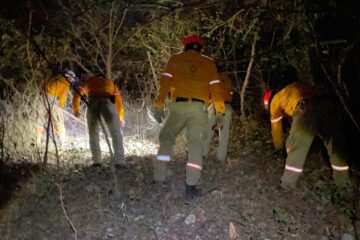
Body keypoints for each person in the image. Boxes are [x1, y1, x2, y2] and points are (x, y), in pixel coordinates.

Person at [153, 34, 225, 200]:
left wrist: (159, 105)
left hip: (178, 106)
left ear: (185, 46)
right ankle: (190, 188)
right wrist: (219, 111)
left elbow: (164, 84)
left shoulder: (175, 59)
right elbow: (216, 90)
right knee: (195, 146)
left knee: (166, 139)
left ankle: (159, 178)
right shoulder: (208, 63)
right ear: (201, 48)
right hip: (198, 109)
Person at [263, 81, 350, 190]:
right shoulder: (290, 89)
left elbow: (276, 129)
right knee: (335, 146)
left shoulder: (275, 101)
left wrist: (279, 148)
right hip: (327, 104)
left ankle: (287, 185)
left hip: (306, 108)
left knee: (295, 146)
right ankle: (343, 184)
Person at [72, 73, 126, 168]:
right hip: (108, 103)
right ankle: (120, 161)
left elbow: (77, 94)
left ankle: (96, 161)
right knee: (116, 133)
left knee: (93, 133)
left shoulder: (90, 82)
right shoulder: (111, 83)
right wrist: (120, 118)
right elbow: (118, 101)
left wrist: (77, 111)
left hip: (92, 103)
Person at [37, 70, 77, 146]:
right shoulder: (65, 83)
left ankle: (37, 141)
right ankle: (62, 141)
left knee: (40, 119)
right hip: (52, 99)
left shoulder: (55, 78)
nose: (72, 81)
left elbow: (43, 86)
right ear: (68, 77)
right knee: (59, 120)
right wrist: (61, 107)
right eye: (72, 79)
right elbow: (63, 96)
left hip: (43, 97)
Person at [203, 73, 234, 161]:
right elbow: (230, 96)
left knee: (208, 133)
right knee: (224, 135)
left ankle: (203, 155)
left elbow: (207, 96)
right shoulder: (228, 81)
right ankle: (221, 158)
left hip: (214, 107)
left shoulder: (211, 80)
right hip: (227, 108)